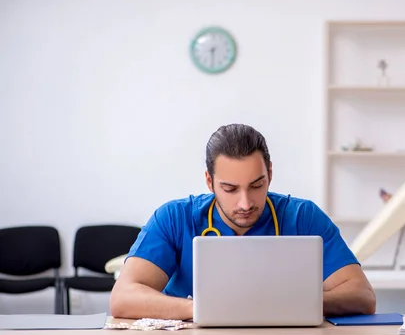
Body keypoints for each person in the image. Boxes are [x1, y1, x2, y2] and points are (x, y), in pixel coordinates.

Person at [110, 124, 376, 320]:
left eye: (256, 185)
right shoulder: (174, 219)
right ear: (209, 181)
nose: (246, 203)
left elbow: (362, 296)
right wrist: (204, 309)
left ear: (269, 174)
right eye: (230, 189)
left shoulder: (302, 217)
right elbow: (123, 298)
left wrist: (292, 304)